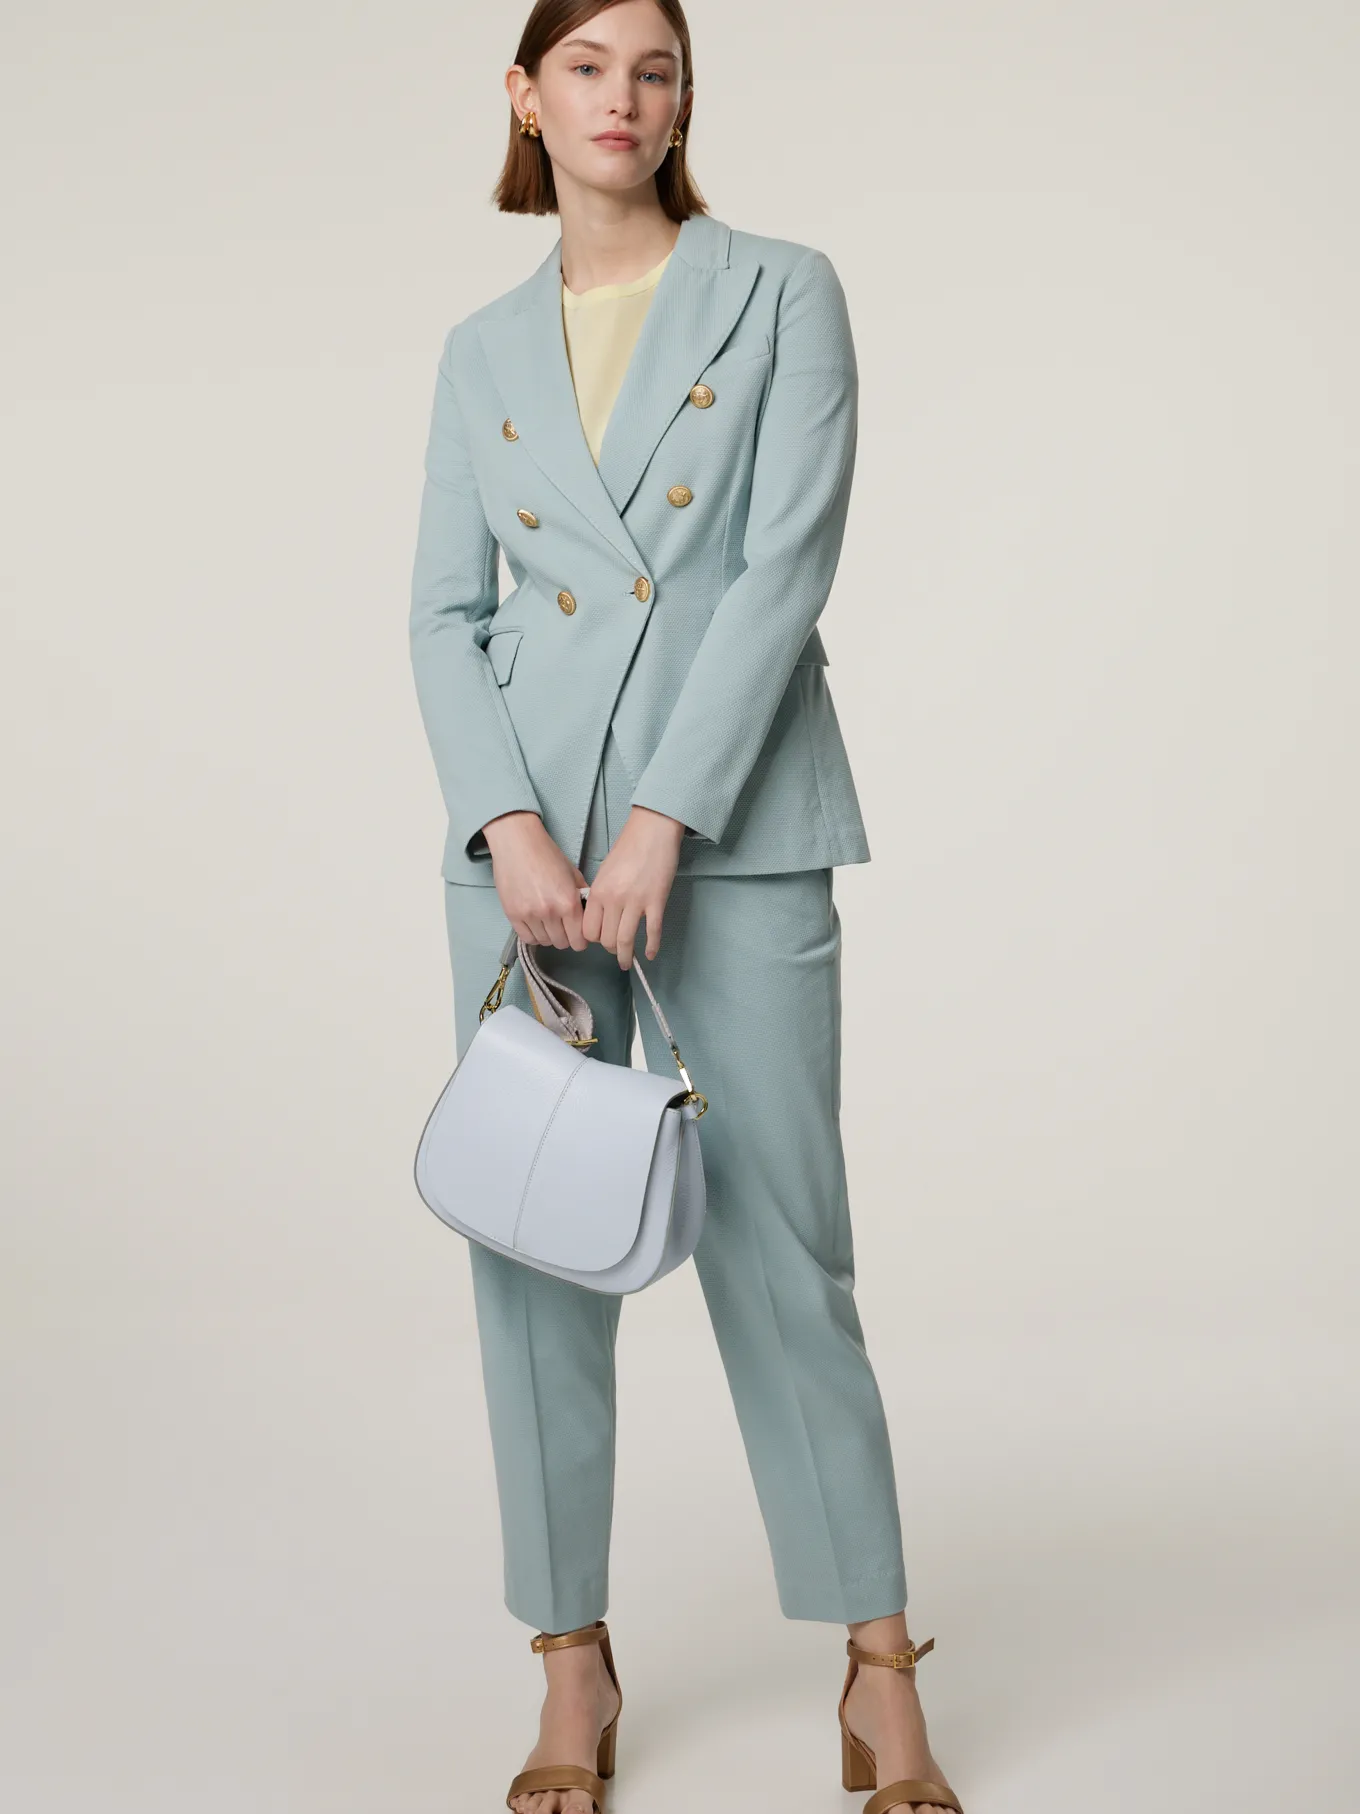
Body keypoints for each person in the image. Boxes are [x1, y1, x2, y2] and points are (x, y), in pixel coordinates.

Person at [407, 4, 961, 1811]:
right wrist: (508, 823)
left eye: (653, 68)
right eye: (585, 66)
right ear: (525, 96)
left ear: (683, 99)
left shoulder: (782, 290)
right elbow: (444, 613)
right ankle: (570, 1662)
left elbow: (784, 566)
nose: (622, 97)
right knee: (530, 1249)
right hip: (524, 854)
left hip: (732, 825)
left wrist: (661, 822)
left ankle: (879, 1667)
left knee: (787, 1244)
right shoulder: (480, 348)